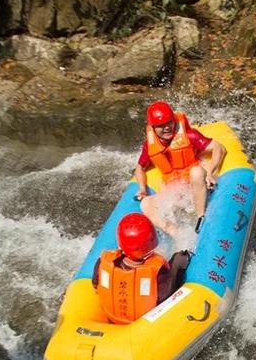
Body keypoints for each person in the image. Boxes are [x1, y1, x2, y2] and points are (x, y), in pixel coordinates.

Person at [135, 101, 226, 234]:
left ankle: (201, 217)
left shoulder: (190, 136)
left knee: (197, 172)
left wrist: (210, 173)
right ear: (153, 127)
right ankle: (176, 234)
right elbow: (140, 168)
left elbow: (218, 148)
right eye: (161, 126)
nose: (167, 128)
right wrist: (142, 189)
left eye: (169, 122)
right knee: (145, 204)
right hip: (173, 193)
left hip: (194, 187)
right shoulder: (149, 146)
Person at [92, 213, 189, 324]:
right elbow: (165, 299)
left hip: (112, 317)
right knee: (177, 260)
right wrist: (175, 268)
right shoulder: (157, 271)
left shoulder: (103, 261)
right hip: (144, 323)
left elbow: (95, 283)